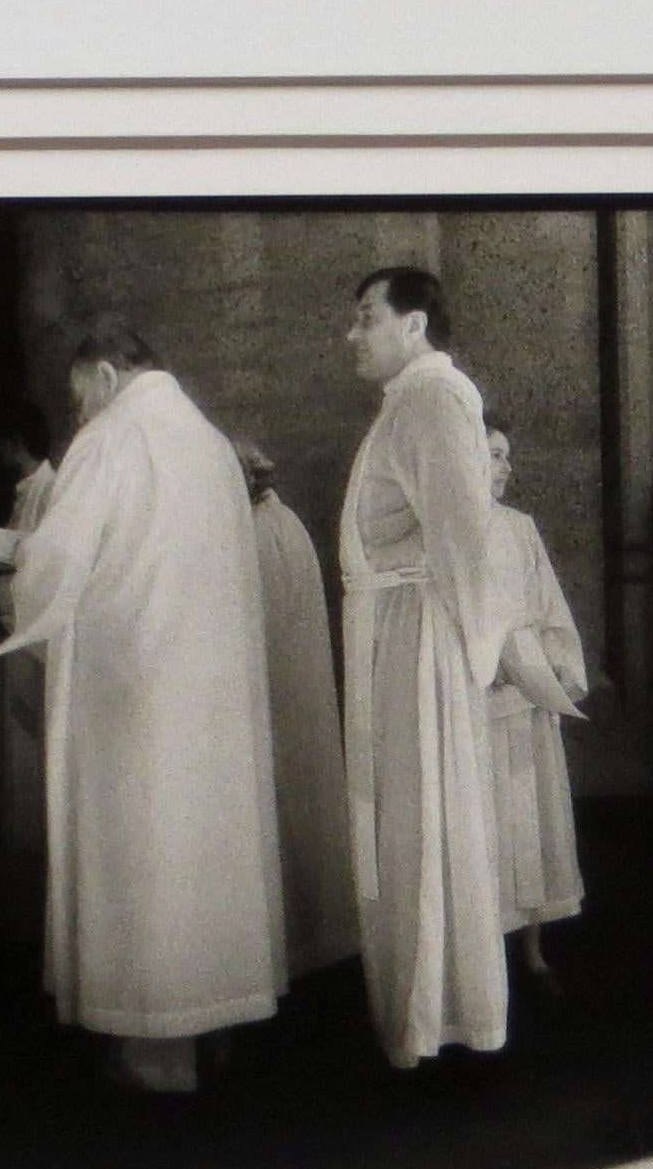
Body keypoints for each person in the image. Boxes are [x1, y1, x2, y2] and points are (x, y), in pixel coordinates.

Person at [0, 331, 289, 1092]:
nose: (77, 414)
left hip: (131, 690)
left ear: (104, 376)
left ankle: (155, 1048)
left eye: (78, 397)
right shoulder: (208, 445)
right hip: (213, 693)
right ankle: (217, 1021)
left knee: (143, 858)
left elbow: (56, 559)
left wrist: (12, 595)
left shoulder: (111, 438)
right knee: (206, 856)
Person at [335, 266, 529, 1068]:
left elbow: (465, 538)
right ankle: (421, 1015)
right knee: (406, 824)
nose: (353, 335)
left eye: (367, 318)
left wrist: (473, 655)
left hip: (417, 638)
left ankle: (441, 1018)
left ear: (413, 325)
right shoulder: (408, 403)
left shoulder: (435, 398)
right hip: (396, 628)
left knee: (423, 824)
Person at [239, 435, 358, 978]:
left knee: (283, 811)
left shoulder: (255, 537)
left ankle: (291, 944)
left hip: (273, 691)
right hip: (298, 692)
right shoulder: (287, 526)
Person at [481, 419, 588, 984]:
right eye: (494, 455)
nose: (506, 467)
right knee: (487, 825)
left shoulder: (519, 530)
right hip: (475, 703)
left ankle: (532, 946)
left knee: (529, 823)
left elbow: (549, 609)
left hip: (525, 698)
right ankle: (484, 952)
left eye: (507, 456)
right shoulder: (444, 531)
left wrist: (555, 669)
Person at [0, 401, 61, 950]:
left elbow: (44, 570)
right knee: (15, 772)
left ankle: (41, 908)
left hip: (35, 646)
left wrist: (7, 572)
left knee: (32, 771)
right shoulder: (23, 494)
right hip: (13, 639)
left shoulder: (52, 492)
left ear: (17, 441)